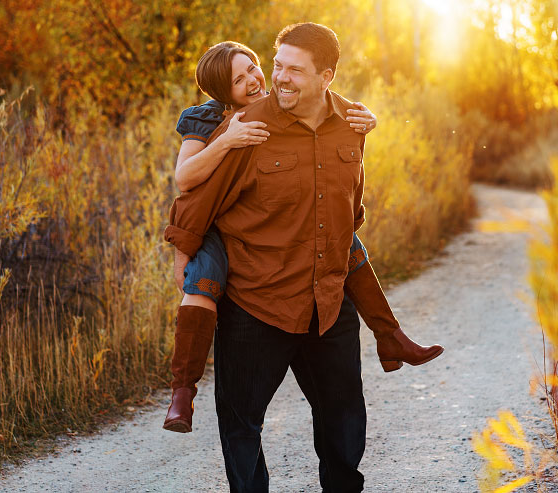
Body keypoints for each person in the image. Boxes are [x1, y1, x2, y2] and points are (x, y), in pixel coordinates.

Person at [163, 39, 443, 437]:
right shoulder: (210, 121)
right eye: (238, 80)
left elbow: (327, 103)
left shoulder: (281, 110)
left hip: (288, 231)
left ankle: (390, 335)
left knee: (347, 246)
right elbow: (187, 182)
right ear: (222, 94)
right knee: (200, 286)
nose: (256, 80)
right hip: (214, 229)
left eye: (254, 68)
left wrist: (367, 118)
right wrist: (226, 140)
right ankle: (182, 390)